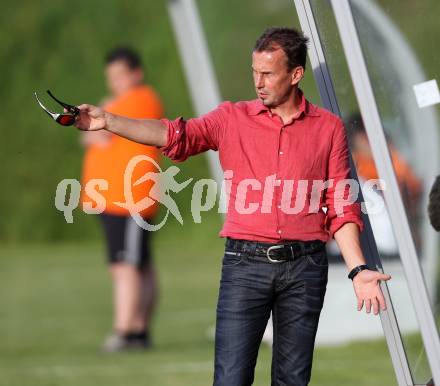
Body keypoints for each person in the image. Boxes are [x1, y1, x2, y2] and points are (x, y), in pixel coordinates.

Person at [74, 28, 391, 385]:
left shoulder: (329, 128)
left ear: (296, 75)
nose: (258, 81)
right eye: (255, 72)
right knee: (230, 378)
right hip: (245, 266)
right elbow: (174, 135)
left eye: (268, 73)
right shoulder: (231, 118)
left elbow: (341, 207)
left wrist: (357, 269)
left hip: (306, 269)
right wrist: (110, 121)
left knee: (293, 379)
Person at [80, 47, 163, 352]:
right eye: (110, 77)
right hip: (115, 198)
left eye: (120, 75)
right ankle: (138, 331)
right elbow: (89, 134)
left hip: (127, 198)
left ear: (136, 74)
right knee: (139, 265)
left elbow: (96, 133)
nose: (114, 82)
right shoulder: (122, 102)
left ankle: (125, 331)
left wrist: (104, 111)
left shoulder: (140, 98)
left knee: (125, 266)